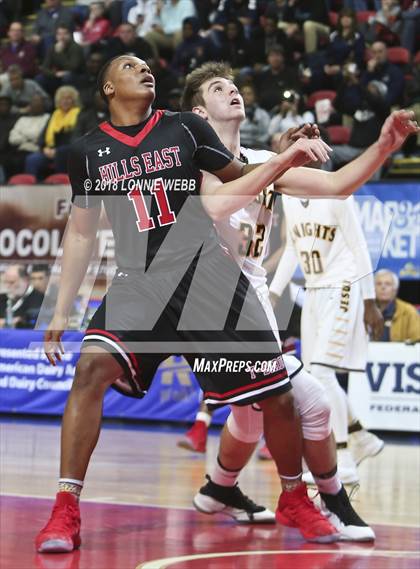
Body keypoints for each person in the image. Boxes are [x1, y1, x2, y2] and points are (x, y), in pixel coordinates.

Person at [35, 54, 340, 554]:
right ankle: (65, 509)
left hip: (209, 278)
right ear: (108, 89)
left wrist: (283, 157)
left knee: (277, 393)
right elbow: (81, 235)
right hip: (141, 284)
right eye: (130, 66)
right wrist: (60, 308)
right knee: (90, 370)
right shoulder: (86, 152)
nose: (144, 69)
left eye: (148, 65)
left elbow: (243, 177)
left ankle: (293, 495)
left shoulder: (185, 128)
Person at [177, 62, 417, 529]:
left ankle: (218, 489)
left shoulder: (259, 156)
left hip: (251, 298)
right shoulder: (192, 160)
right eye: (218, 88)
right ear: (198, 111)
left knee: (249, 418)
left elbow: (335, 185)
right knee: (311, 399)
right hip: (208, 305)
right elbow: (220, 203)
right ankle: (330, 497)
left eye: (234, 84)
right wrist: (281, 159)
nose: (233, 91)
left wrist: (386, 144)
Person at [269, 190, 386, 483]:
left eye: (304, 139)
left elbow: (359, 247)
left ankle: (343, 458)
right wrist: (273, 293)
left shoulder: (337, 193)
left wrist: (370, 301)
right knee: (314, 375)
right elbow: (293, 249)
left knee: (321, 373)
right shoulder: (291, 198)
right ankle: (361, 436)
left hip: (343, 287)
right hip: (314, 290)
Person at [24, 85, 81, 181]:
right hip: (50, 150)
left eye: (69, 98)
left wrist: (56, 151)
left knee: (61, 153)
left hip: (69, 150)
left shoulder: (79, 115)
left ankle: (62, 184)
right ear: (58, 101)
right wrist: (44, 148)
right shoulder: (54, 115)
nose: (65, 101)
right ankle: (33, 186)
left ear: (74, 100)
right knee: (32, 159)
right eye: (62, 98)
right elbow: (42, 137)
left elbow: (76, 138)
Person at [375, 269, 420, 342]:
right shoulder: (365, 310)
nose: (383, 287)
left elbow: (417, 342)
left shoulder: (408, 312)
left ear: (395, 289)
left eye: (388, 284)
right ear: (373, 289)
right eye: (379, 284)